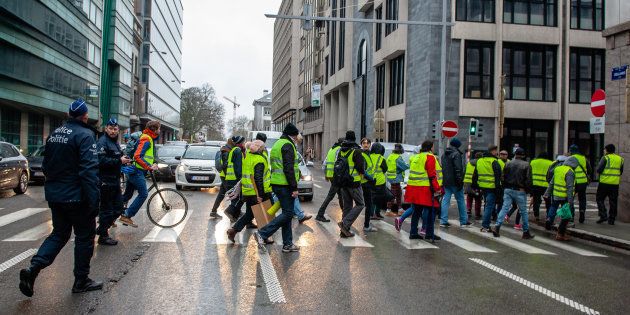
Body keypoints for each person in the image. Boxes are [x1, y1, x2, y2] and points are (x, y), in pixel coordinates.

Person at [19, 99, 102, 297]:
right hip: (78, 198)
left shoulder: (55, 134)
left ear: (67, 115)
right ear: (85, 116)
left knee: (58, 235)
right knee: (84, 238)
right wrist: (94, 201)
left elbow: (46, 166)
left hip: (56, 196)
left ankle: (33, 269)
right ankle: (81, 280)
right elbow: (88, 172)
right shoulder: (85, 135)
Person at [254, 123, 301, 252]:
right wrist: (294, 188)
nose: (297, 139)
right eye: (296, 136)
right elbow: (288, 168)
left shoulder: (278, 144)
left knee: (287, 213)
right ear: (293, 135)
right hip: (285, 184)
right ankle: (262, 233)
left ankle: (287, 244)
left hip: (277, 183)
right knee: (288, 214)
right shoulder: (288, 145)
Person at [227, 140, 272, 242]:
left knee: (249, 214)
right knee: (262, 214)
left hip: (247, 191)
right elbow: (258, 178)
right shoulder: (259, 159)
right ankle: (264, 237)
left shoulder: (249, 156)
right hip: (255, 192)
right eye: (264, 147)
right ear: (260, 148)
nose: (265, 149)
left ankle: (233, 230)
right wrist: (260, 194)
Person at [118, 121, 160, 227]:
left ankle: (110, 212)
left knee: (127, 195)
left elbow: (146, 155)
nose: (160, 131)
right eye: (159, 128)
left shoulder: (148, 137)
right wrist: (149, 166)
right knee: (143, 194)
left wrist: (152, 163)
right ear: (154, 129)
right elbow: (137, 156)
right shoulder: (147, 138)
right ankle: (127, 215)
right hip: (137, 171)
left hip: (135, 170)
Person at [96, 118, 130, 245]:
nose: (113, 131)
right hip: (105, 181)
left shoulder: (114, 142)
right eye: (110, 128)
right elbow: (100, 161)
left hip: (114, 180)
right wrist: (119, 161)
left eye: (115, 129)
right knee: (107, 210)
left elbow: (118, 157)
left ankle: (102, 229)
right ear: (106, 129)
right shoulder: (102, 142)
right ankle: (103, 235)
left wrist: (125, 160)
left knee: (119, 207)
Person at [491, 148, 535, 239]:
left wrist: (505, 187)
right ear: (523, 155)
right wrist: (528, 191)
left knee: (504, 208)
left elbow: (502, 177)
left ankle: (497, 226)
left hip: (508, 189)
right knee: (523, 211)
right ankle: (526, 231)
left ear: (515, 154)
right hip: (520, 190)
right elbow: (529, 180)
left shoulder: (508, 163)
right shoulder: (526, 165)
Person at [405, 141, 443, 242]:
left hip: (413, 187)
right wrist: (437, 188)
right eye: (433, 146)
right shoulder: (430, 157)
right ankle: (429, 233)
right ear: (430, 147)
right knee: (431, 210)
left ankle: (413, 232)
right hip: (425, 189)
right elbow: (432, 175)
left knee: (416, 211)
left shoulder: (415, 157)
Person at [335, 131, 366, 238]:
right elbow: (360, 168)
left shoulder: (341, 150)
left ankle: (344, 231)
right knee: (360, 204)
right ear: (354, 138)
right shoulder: (356, 151)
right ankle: (345, 224)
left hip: (343, 182)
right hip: (354, 182)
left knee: (347, 206)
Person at [439, 138, 471, 228]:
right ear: (457, 145)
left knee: (445, 200)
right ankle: (463, 220)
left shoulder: (444, 154)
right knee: (460, 200)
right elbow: (458, 169)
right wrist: (460, 181)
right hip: (455, 182)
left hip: (446, 181)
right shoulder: (456, 154)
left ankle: (443, 220)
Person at [545, 156, 578, 240]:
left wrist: (547, 193)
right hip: (565, 197)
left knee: (553, 207)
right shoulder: (570, 172)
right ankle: (560, 234)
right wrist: (570, 202)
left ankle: (550, 219)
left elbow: (552, 183)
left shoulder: (558, 169)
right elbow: (570, 187)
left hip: (556, 195)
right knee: (566, 216)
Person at [473, 145, 502, 232]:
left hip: (483, 187)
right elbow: (498, 176)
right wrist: (498, 188)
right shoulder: (494, 161)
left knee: (487, 204)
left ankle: (486, 224)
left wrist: (476, 186)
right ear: (493, 151)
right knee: (489, 206)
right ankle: (485, 225)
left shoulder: (479, 161)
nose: (497, 153)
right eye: (496, 151)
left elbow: (475, 175)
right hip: (492, 187)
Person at [315, 138, 345, 222]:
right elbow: (338, 164)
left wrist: (326, 174)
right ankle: (320, 214)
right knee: (331, 196)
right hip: (336, 177)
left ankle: (344, 215)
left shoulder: (332, 149)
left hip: (331, 176)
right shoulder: (339, 150)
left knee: (340, 195)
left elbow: (324, 163)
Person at [596, 144, 625, 225]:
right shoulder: (620, 159)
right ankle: (611, 219)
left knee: (599, 199)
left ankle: (603, 215)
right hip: (615, 184)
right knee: (613, 202)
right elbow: (621, 171)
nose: (604, 151)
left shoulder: (605, 158)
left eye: (604, 149)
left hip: (604, 183)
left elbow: (599, 170)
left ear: (607, 150)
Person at [223, 136, 247, 222]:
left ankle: (233, 216)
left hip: (230, 178)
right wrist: (240, 179)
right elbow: (238, 167)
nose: (244, 144)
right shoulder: (237, 151)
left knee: (235, 198)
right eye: (244, 142)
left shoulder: (234, 150)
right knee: (239, 198)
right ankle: (229, 211)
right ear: (240, 143)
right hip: (235, 179)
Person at [569, 144, 591, 224]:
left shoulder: (570, 158)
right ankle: (582, 212)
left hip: (573, 182)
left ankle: (571, 216)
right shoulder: (583, 158)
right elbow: (590, 170)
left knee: (570, 199)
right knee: (582, 198)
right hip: (583, 182)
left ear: (571, 151)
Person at [386, 143, 409, 216]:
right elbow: (404, 166)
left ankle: (400, 209)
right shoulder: (398, 158)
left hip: (391, 177)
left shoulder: (390, 156)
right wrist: (410, 164)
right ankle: (388, 210)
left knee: (399, 193)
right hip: (395, 178)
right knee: (393, 194)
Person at [360, 138, 377, 232]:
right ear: (361, 144)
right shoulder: (362, 155)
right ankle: (366, 225)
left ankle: (367, 223)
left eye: (368, 143)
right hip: (364, 183)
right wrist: (371, 178)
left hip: (368, 183)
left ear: (370, 144)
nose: (366, 144)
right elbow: (363, 171)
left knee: (367, 204)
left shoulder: (369, 154)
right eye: (364, 143)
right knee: (367, 205)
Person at [530, 152, 553, 222]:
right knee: (548, 201)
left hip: (535, 184)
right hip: (546, 185)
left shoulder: (533, 162)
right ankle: (548, 216)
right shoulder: (550, 163)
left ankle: (536, 215)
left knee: (536, 201)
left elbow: (529, 172)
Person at [369, 142, 388, 220]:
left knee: (372, 198)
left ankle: (371, 213)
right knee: (379, 198)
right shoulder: (381, 158)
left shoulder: (369, 156)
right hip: (380, 181)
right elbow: (385, 169)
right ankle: (377, 213)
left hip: (370, 180)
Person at [465, 152, 483, 220]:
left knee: (469, 196)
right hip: (476, 182)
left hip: (467, 182)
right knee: (478, 198)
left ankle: (468, 210)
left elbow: (465, 171)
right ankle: (477, 213)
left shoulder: (469, 162)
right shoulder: (480, 163)